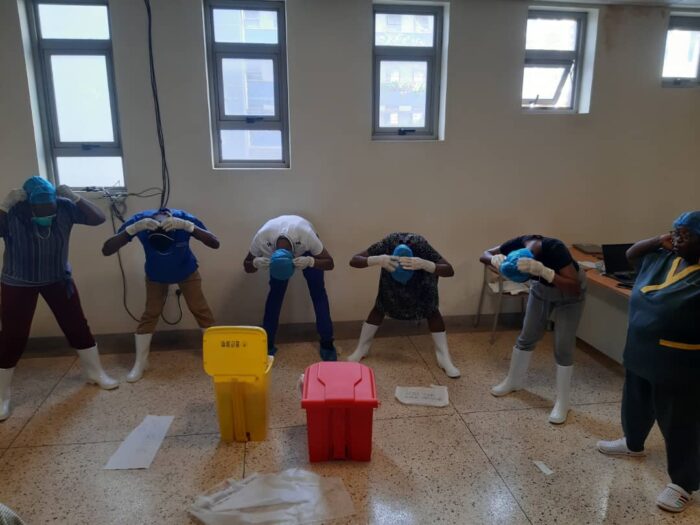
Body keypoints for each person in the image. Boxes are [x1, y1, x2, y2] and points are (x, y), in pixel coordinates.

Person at [597, 211, 700, 513]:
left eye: (686, 235)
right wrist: (659, 240)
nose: (677, 239)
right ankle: (633, 442)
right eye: (675, 232)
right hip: (641, 351)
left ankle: (684, 484)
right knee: (635, 401)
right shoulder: (663, 259)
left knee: (680, 421)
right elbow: (630, 255)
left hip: (680, 361)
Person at [0, 177, 117, 421]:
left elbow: (98, 218)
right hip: (19, 281)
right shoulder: (15, 211)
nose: (48, 215)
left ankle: (95, 373)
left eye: (50, 210)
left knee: (76, 325)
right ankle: (2, 396)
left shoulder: (64, 207)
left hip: (57, 278)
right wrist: (3, 205)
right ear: (30, 205)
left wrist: (75, 197)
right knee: (13, 335)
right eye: (41, 211)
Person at [102, 208, 219, 382]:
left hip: (186, 271)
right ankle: (141, 362)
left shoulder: (184, 220)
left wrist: (189, 227)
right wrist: (132, 229)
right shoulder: (140, 221)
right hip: (156, 274)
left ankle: (217, 358)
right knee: (151, 313)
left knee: (200, 309)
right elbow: (107, 250)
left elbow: (215, 243)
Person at [480, 234, 587, 424]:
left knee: (563, 345)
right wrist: (495, 259)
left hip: (569, 294)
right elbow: (484, 254)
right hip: (541, 290)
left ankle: (563, 401)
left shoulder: (555, 249)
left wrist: (546, 272)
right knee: (527, 336)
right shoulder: (517, 244)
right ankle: (514, 381)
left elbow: (574, 287)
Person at [348, 232, 460, 378]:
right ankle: (362, 349)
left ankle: (443, 357)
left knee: (433, 313)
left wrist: (427, 264)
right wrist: (377, 259)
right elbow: (354, 260)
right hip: (392, 287)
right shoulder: (388, 243)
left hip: (421, 288)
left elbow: (449, 270)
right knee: (378, 309)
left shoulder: (421, 245)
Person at [243, 215, 336, 361]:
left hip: (307, 250)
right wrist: (254, 262)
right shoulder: (261, 238)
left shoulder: (306, 236)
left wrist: (311, 261)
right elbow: (246, 266)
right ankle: (267, 344)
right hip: (276, 253)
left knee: (318, 292)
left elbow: (329, 263)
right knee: (275, 295)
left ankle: (327, 343)